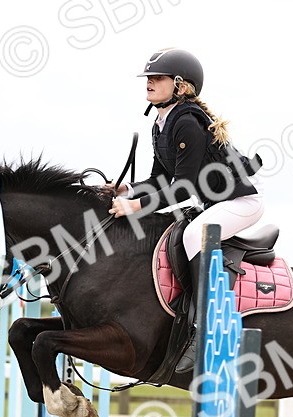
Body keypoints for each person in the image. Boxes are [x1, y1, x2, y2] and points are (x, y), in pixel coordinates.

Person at [107, 48, 263, 373]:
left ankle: (203, 331)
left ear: (180, 85)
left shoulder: (188, 123)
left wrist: (135, 206)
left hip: (241, 204)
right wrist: (128, 190)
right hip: (216, 204)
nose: (149, 82)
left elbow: (183, 188)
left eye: (157, 78)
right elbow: (158, 180)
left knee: (193, 235)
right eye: (148, 77)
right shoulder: (161, 123)